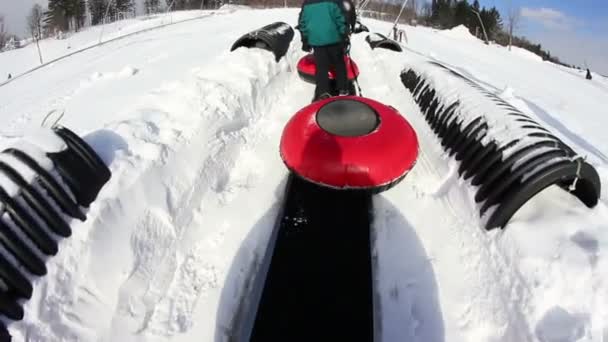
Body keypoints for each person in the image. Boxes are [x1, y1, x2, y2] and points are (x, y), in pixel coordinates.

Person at [298, 0, 350, 101]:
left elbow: (302, 23)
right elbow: (340, 19)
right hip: (334, 39)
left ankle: (323, 92)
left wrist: (305, 40)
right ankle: (343, 89)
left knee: (321, 68)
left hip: (317, 41)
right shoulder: (333, 2)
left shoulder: (306, 4)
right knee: (339, 64)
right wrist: (344, 34)